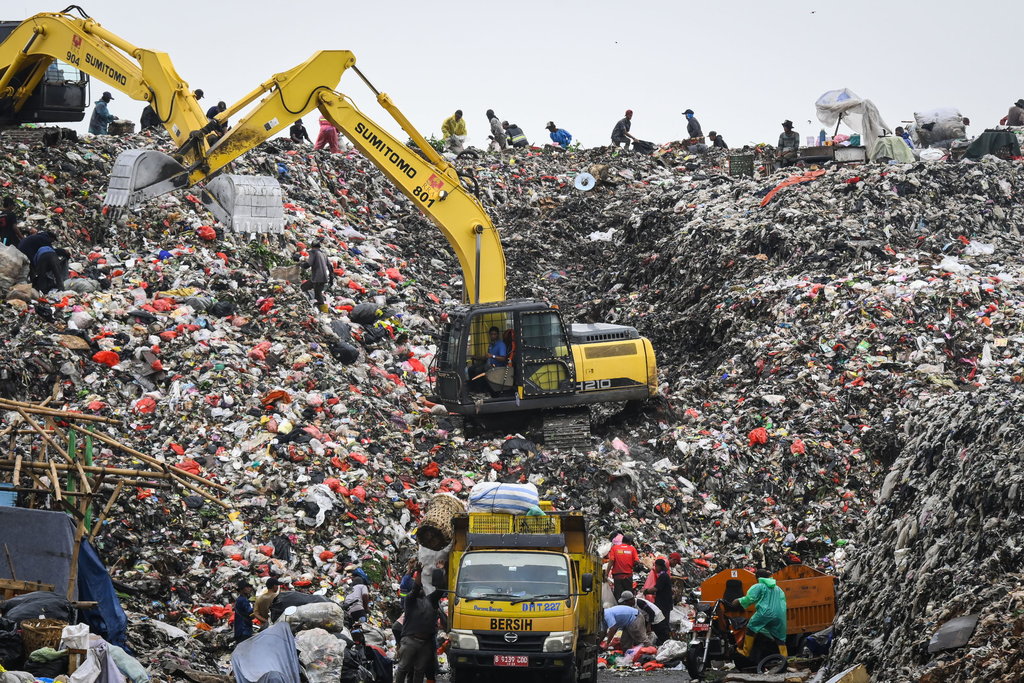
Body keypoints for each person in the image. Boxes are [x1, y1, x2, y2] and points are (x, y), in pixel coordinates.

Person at [394, 572, 442, 683]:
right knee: (403, 668)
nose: (421, 589)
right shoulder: (410, 601)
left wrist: (441, 570)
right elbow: (415, 588)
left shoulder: (430, 601)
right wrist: (419, 572)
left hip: (425, 643)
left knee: (419, 670)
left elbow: (440, 590)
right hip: (410, 640)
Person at [730, 569, 788, 658]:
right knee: (779, 637)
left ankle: (745, 652)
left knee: (751, 628)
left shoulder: (759, 586)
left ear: (757, 578)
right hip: (779, 614)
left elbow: (750, 598)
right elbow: (783, 601)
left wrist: (738, 601)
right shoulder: (778, 588)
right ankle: (784, 658)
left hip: (765, 613)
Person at [300, 242, 334, 309]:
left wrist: (301, 265)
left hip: (317, 278)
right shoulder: (324, 254)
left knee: (316, 294)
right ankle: (310, 304)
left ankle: (324, 311)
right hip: (324, 278)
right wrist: (331, 278)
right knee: (309, 290)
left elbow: (309, 263)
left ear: (312, 246)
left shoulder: (313, 252)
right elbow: (330, 266)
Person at [606, 533, 640, 600]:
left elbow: (611, 562)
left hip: (617, 576)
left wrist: (606, 574)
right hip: (628, 576)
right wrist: (630, 564)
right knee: (629, 595)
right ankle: (628, 608)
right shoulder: (632, 549)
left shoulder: (614, 548)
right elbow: (637, 561)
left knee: (618, 595)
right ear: (630, 541)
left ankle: (619, 608)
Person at [650, 559, 673, 631]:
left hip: (664, 604)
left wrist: (646, 591)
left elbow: (656, 588)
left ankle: (665, 639)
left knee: (663, 623)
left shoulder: (663, 576)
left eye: (656, 566)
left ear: (660, 567)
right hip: (665, 603)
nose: (655, 568)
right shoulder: (664, 575)